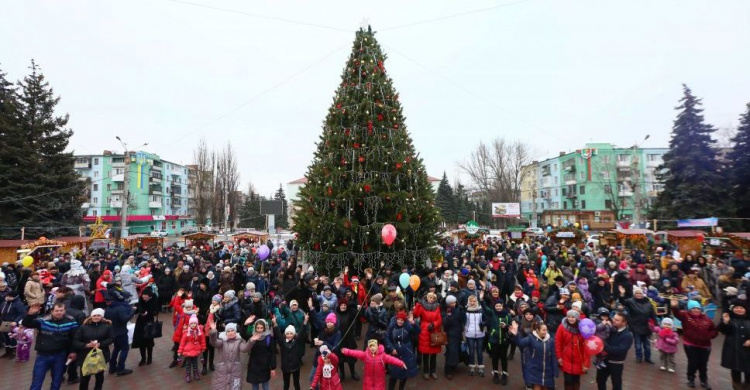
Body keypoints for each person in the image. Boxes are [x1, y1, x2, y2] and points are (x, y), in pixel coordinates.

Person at [22, 302, 79, 390]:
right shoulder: (44, 320)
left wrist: (73, 351)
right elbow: (27, 324)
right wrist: (30, 314)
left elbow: (74, 338)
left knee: (57, 381)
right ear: (52, 311)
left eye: (61, 310)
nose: (59, 312)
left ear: (65, 311)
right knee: (37, 382)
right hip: (43, 355)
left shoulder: (71, 321)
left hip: (60, 355)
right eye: (56, 310)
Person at [672, 298, 719, 389]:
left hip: (705, 345)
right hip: (690, 344)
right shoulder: (685, 316)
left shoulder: (706, 319)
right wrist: (674, 306)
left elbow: (714, 330)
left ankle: (703, 380)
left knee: (703, 363)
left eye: (698, 308)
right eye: (693, 308)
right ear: (690, 309)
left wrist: (709, 335)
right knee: (693, 362)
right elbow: (676, 313)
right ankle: (690, 379)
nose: (696, 310)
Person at [72, 308, 114, 390]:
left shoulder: (107, 326)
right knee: (84, 378)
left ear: (102, 317)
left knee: (99, 377)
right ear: (91, 316)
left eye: (99, 315)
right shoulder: (83, 327)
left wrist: (100, 344)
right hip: (85, 356)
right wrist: (86, 345)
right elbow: (76, 341)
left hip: (100, 355)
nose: (96, 317)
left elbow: (111, 338)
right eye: (94, 315)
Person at [509, 320, 558, 390]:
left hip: (547, 370)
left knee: (546, 388)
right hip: (535, 369)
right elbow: (520, 343)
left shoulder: (551, 341)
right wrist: (516, 334)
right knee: (537, 387)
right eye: (543, 330)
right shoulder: (531, 338)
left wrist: (555, 370)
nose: (545, 332)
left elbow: (553, 356)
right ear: (537, 330)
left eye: (546, 330)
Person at [341, 339, 407, 390]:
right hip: (368, 379)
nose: (372, 348)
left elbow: (392, 360)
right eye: (370, 346)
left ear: (377, 346)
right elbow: (355, 353)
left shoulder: (383, 356)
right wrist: (346, 351)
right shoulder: (365, 355)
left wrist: (401, 363)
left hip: (379, 380)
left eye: (374, 346)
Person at [595, 311, 634, 390]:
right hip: (604, 360)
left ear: (624, 323)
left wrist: (603, 344)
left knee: (616, 384)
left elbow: (619, 350)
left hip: (616, 363)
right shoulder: (610, 328)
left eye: (617, 320)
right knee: (600, 380)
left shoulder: (627, 335)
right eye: (614, 318)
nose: (613, 320)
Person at [718, 298, 750, 390]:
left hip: (748, 353)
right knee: (736, 371)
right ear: (733, 309)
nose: (739, 309)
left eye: (741, 308)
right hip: (733, 350)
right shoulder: (730, 319)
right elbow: (723, 331)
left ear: (745, 309)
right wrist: (725, 322)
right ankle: (737, 388)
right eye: (736, 307)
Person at [210, 321, 251, 390]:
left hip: (235, 371)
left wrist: (251, 341)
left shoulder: (239, 341)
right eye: (228, 331)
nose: (230, 333)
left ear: (235, 332)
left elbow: (244, 349)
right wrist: (213, 332)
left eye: (232, 330)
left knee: (234, 387)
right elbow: (214, 343)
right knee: (221, 387)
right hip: (222, 370)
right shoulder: (222, 341)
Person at [555, 309, 590, 390]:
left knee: (576, 380)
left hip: (578, 359)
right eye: (569, 317)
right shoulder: (562, 327)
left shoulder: (582, 328)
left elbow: (586, 346)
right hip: (566, 358)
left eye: (573, 317)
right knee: (568, 380)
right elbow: (558, 342)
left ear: (577, 318)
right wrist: (559, 356)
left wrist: (586, 362)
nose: (570, 319)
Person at [384, 311, 419, 390]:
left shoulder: (408, 326)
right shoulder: (392, 326)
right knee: (393, 374)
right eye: (398, 319)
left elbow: (418, 331)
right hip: (395, 351)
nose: (400, 321)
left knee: (404, 373)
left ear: (404, 320)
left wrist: (413, 323)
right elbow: (387, 337)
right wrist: (391, 348)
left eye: (402, 320)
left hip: (406, 351)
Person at [271, 313, 308, 390]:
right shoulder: (282, 342)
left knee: (296, 383)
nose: (289, 335)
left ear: (294, 334)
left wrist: (305, 322)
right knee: (286, 384)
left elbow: (302, 332)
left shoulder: (297, 341)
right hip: (285, 367)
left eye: (291, 333)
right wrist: (275, 323)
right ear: (285, 334)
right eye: (287, 333)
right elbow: (278, 334)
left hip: (295, 367)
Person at [104, 288, 135, 376]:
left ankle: (112, 367)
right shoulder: (120, 308)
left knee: (116, 348)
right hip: (120, 332)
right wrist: (132, 311)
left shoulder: (108, 308)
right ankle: (121, 368)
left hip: (113, 332)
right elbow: (124, 319)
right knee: (125, 348)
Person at [623, 286, 657, 363]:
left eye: (640, 293)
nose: (638, 294)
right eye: (636, 293)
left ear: (643, 294)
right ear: (634, 294)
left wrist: (656, 323)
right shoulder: (631, 302)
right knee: (638, 344)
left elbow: (653, 314)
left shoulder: (648, 302)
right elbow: (623, 302)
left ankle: (648, 358)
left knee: (647, 345)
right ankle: (639, 357)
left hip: (646, 326)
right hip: (636, 326)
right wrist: (622, 294)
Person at [413, 292, 442, 380]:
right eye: (430, 297)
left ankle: (432, 371)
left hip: (434, 331)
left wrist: (434, 324)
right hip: (424, 331)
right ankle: (426, 371)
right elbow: (416, 315)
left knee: (433, 354)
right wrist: (418, 305)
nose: (431, 299)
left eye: (433, 298)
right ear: (426, 298)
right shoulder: (422, 306)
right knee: (425, 354)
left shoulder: (437, 307)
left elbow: (439, 319)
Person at [485, 298, 513, 385]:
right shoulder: (492, 314)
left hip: (504, 340)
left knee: (503, 358)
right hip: (494, 340)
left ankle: (504, 374)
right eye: (496, 306)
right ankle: (495, 373)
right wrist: (481, 299)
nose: (498, 307)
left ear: (502, 306)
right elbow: (485, 308)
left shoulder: (507, 315)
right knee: (495, 357)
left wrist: (506, 325)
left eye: (500, 306)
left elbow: (511, 326)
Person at [244, 318, 276, 390]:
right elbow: (243, 334)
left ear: (265, 328)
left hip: (264, 366)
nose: (259, 330)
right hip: (253, 366)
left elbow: (272, 353)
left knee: (265, 386)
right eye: (257, 328)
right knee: (255, 386)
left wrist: (273, 367)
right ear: (255, 327)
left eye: (261, 328)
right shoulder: (252, 336)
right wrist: (245, 325)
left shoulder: (268, 338)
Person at [132, 288, 159, 366]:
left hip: (149, 322)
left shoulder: (154, 301)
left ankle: (149, 358)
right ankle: (143, 358)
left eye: (145, 296)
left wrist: (148, 313)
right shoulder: (140, 300)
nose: (143, 297)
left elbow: (156, 312)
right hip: (140, 323)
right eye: (143, 295)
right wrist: (135, 309)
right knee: (141, 341)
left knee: (149, 341)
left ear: (149, 296)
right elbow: (138, 309)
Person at [441, 294, 464, 380]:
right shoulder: (445, 310)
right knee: (450, 351)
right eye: (451, 303)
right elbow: (445, 323)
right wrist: (449, 316)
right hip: (450, 334)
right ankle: (448, 370)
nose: (453, 304)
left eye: (454, 302)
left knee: (457, 350)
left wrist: (462, 312)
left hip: (458, 333)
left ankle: (454, 365)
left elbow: (462, 319)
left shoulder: (459, 308)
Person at [178, 314, 207, 382]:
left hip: (196, 350)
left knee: (195, 363)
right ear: (189, 324)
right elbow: (182, 343)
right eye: (192, 323)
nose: (193, 325)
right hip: (188, 351)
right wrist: (180, 351)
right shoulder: (186, 332)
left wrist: (203, 347)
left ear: (197, 324)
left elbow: (202, 341)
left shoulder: (199, 332)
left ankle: (196, 373)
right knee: (188, 364)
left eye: (195, 323)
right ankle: (188, 375)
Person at [463, 294, 486, 377]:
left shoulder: (481, 310)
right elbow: (463, 321)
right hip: (469, 333)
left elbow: (486, 319)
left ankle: (480, 368)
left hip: (480, 333)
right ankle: (472, 367)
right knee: (471, 351)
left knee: (479, 351)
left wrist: (483, 324)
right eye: (471, 301)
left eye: (474, 301)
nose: (472, 303)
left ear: (476, 301)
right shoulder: (466, 310)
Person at [1, 290, 26, 359]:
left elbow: (22, 314)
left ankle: (13, 352)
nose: (7, 297)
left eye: (9, 296)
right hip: (4, 322)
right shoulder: (5, 303)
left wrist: (16, 321)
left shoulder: (18, 303)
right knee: (6, 337)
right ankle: (7, 351)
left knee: (12, 338)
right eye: (7, 296)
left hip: (12, 323)